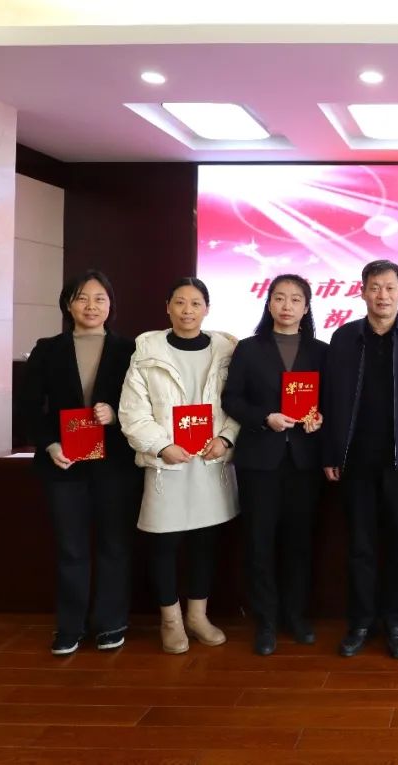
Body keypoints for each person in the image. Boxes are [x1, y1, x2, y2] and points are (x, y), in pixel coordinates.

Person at [322, 259, 398, 659]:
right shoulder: (344, 338)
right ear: (362, 292)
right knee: (360, 545)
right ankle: (360, 622)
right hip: (355, 460)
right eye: (375, 287)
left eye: (390, 288)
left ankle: (396, 622)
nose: (383, 295)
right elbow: (330, 399)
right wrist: (331, 450)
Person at [19, 270, 141, 655]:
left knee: (114, 545)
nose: (91, 306)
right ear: (68, 305)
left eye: (99, 298)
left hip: (115, 463)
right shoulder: (47, 349)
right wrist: (49, 444)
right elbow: (28, 407)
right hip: (64, 462)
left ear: (110, 305)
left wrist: (116, 415)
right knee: (71, 547)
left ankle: (110, 622)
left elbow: (145, 403)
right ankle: (70, 626)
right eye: (82, 298)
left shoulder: (130, 350)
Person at [119, 277, 240, 655]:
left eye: (196, 303)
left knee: (205, 543)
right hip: (167, 463)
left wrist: (226, 438)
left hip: (209, 461)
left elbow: (238, 402)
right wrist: (161, 445)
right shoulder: (147, 351)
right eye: (180, 302)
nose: (188, 311)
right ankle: (170, 621)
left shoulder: (226, 350)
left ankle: (197, 616)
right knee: (164, 543)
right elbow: (132, 411)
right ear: (167, 307)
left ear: (207, 309)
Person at [222, 274, 327, 656]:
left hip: (304, 461)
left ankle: (295, 617)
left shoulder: (321, 351)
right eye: (279, 298)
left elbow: (330, 401)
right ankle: (265, 622)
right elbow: (232, 399)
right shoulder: (249, 349)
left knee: (299, 543)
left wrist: (319, 418)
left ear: (306, 307)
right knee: (259, 541)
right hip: (259, 461)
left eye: (295, 299)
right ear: (268, 304)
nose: (287, 305)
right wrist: (265, 417)